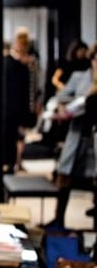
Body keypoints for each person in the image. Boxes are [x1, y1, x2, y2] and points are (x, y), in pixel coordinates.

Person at [45, 44, 97, 226]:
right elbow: (62, 96)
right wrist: (73, 105)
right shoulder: (80, 77)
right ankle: (59, 219)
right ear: (92, 60)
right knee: (64, 175)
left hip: (94, 136)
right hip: (77, 133)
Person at [2, 34, 37, 173]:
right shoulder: (9, 62)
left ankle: (16, 161)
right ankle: (11, 162)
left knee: (19, 134)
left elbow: (30, 88)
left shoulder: (28, 64)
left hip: (19, 104)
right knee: (10, 135)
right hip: (10, 104)